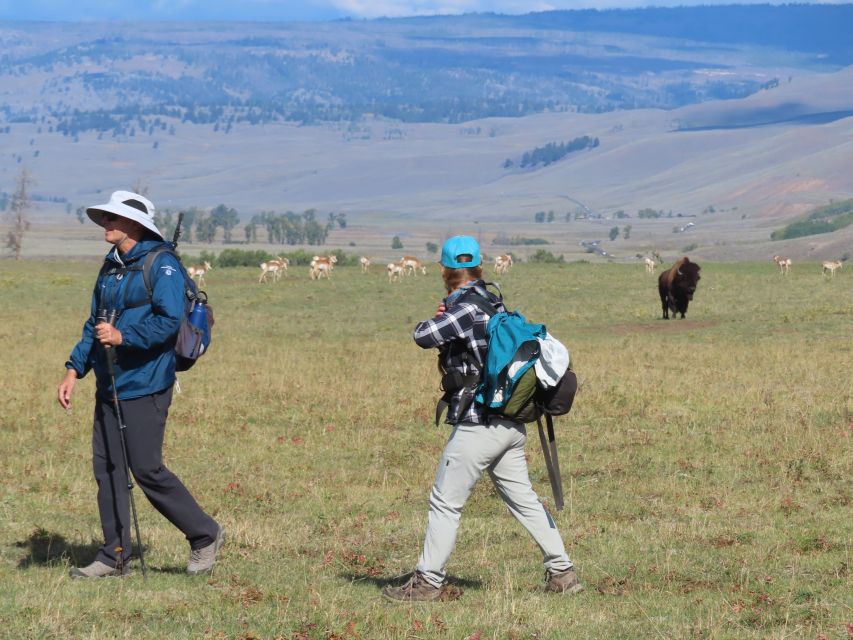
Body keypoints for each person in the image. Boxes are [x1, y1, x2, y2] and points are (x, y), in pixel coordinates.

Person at [382, 236, 582, 602]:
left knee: (445, 502)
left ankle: (427, 583)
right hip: (510, 423)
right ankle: (562, 572)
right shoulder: (493, 301)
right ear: (477, 266)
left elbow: (422, 336)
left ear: (445, 269)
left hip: (478, 423)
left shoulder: (463, 308)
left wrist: (442, 315)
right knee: (523, 499)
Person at [57, 190, 224, 578]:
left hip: (147, 382)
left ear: (134, 225)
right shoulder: (111, 265)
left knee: (146, 468)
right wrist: (72, 370)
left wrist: (123, 338)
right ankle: (113, 556)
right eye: (104, 218)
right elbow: (93, 323)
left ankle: (204, 534)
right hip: (109, 382)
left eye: (112, 219)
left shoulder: (161, 265)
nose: (105, 224)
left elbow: (169, 321)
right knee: (109, 470)